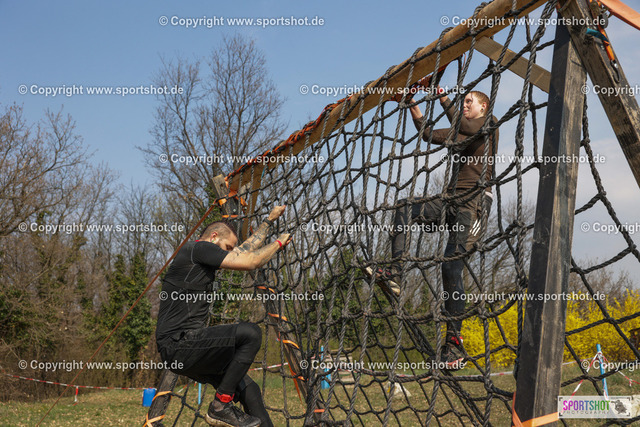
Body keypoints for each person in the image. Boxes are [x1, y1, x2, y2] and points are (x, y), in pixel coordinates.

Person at [381, 85, 499, 370]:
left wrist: (443, 96)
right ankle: (396, 272)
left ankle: (454, 345)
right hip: (450, 201)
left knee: (451, 265)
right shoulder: (463, 132)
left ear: (483, 107)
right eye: (463, 101)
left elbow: (464, 124)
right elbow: (428, 134)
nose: (465, 105)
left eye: (469, 102)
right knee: (404, 207)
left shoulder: (489, 124)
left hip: (474, 205)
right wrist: (413, 104)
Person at [156, 206, 291, 426]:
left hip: (187, 350)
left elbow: (243, 251)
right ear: (213, 237)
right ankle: (220, 406)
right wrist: (277, 243)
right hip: (178, 345)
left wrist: (269, 221)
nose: (230, 251)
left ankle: (227, 405)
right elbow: (250, 261)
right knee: (250, 334)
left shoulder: (199, 256)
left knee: (248, 389)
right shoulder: (197, 248)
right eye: (227, 247)